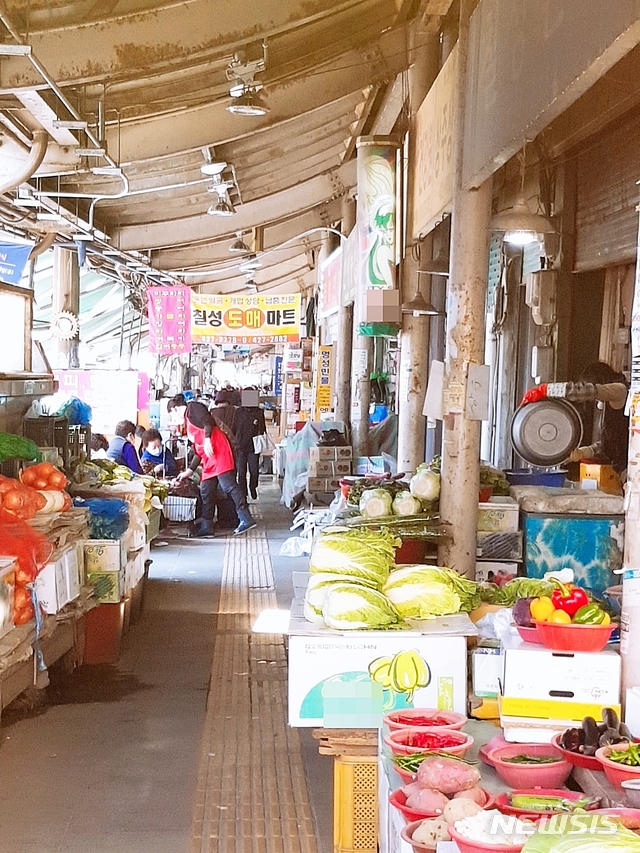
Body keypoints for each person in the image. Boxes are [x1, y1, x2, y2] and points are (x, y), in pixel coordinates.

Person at [166, 394, 255, 536]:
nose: (173, 420)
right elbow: (198, 451)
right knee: (206, 489)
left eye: (171, 416)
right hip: (208, 458)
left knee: (228, 485)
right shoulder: (187, 424)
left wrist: (207, 440)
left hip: (218, 449)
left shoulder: (193, 407)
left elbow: (207, 421)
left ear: (175, 409)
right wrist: (189, 471)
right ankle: (207, 525)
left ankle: (245, 517)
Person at [521, 361, 629, 473]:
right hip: (623, 469)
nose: (595, 400)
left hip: (631, 464)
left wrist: (545, 390)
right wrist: (584, 452)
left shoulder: (619, 390)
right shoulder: (606, 404)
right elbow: (609, 443)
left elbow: (586, 392)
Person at [234, 388, 267, 500]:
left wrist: (256, 425)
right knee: (241, 472)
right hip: (240, 446)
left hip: (254, 446)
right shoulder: (238, 412)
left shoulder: (259, 412)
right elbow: (234, 428)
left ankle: (253, 486)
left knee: (254, 470)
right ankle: (243, 494)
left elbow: (263, 430)